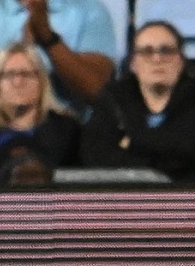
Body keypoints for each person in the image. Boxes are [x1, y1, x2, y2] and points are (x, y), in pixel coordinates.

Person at [81, 21, 195, 181]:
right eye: (147, 51)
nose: (157, 59)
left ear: (181, 60)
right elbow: (95, 157)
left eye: (166, 51)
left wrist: (132, 144)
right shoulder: (113, 98)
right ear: (133, 63)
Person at [0, 42, 81, 183]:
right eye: (9, 74)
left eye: (26, 74)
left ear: (41, 81)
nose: (18, 82)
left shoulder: (68, 132)